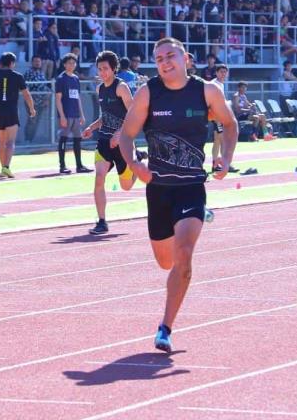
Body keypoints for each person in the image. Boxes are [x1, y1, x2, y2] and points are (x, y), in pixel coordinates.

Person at [117, 37, 237, 353]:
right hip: (158, 189)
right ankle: (193, 220)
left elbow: (230, 123)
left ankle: (165, 328)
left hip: (191, 185)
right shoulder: (148, 93)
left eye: (171, 56)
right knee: (165, 261)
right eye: (159, 59)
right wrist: (134, 164)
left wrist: (226, 157)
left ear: (185, 57)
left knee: (183, 255)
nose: (165, 62)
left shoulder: (207, 90)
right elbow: (127, 134)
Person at [82, 51, 138, 235]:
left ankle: (137, 162)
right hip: (105, 140)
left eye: (105, 69)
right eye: (99, 69)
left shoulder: (121, 88)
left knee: (126, 186)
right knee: (99, 177)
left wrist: (121, 133)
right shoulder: (99, 89)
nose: (102, 72)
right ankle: (102, 221)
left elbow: (133, 114)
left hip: (122, 142)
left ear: (114, 69)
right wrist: (92, 127)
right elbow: (104, 117)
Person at [0, 52, 36, 178]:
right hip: (12, 111)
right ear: (12, 63)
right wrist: (32, 108)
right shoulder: (18, 76)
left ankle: (3, 168)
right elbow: (26, 94)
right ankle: (6, 167)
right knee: (10, 141)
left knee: (1, 142)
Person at [55, 53, 90, 174]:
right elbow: (58, 99)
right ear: (64, 64)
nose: (72, 65)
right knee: (63, 139)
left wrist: (82, 114)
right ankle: (62, 165)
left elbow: (78, 98)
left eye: (74, 63)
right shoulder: (61, 79)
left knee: (77, 139)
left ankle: (79, 165)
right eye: (69, 63)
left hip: (75, 114)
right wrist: (62, 116)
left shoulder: (75, 79)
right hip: (66, 114)